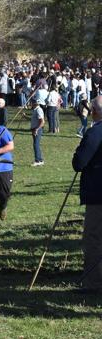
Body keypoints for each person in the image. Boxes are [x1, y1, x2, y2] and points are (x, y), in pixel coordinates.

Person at [72, 96, 102, 293]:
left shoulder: (94, 132)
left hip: (98, 193)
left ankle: (93, 284)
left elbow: (79, 163)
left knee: (93, 238)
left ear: (94, 112)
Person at [30, 100, 45, 166]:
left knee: (36, 145)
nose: (31, 104)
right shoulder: (34, 110)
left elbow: (42, 121)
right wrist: (24, 116)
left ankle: (38, 160)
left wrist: (37, 129)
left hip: (37, 129)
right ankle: (40, 159)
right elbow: (33, 119)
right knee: (36, 145)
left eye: (32, 103)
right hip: (34, 129)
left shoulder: (38, 110)